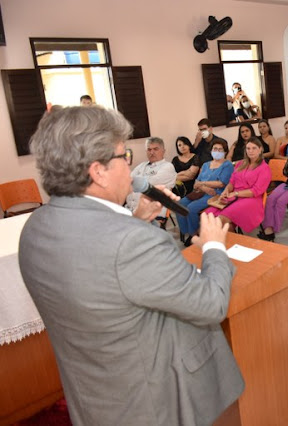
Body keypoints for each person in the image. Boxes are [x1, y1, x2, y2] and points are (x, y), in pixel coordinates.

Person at [19, 106, 244, 425]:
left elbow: (98, 270)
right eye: (123, 157)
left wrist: (134, 218)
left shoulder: (35, 227)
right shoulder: (134, 242)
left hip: (95, 394)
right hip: (154, 400)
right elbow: (210, 304)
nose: (131, 168)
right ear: (98, 172)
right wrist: (213, 247)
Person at [204, 137, 271, 233]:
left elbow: (255, 191)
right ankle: (231, 241)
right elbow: (232, 182)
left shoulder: (264, 168)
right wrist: (226, 191)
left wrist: (235, 193)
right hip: (233, 197)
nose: (251, 151)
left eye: (254, 148)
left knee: (221, 220)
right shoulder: (240, 164)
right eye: (248, 148)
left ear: (260, 149)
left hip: (251, 200)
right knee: (208, 217)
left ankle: (229, 241)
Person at [177, 140, 234, 246]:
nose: (217, 151)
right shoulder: (206, 165)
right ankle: (187, 232)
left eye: (220, 149)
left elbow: (221, 183)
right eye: (215, 149)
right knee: (180, 205)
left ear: (225, 151)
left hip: (215, 194)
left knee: (191, 208)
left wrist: (202, 184)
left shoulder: (227, 165)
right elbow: (196, 183)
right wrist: (203, 187)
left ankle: (195, 235)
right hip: (200, 192)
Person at [126, 136, 177, 212]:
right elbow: (128, 179)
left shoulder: (168, 166)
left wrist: (136, 180)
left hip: (151, 211)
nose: (152, 152)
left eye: (155, 149)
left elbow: (148, 183)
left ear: (163, 151)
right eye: (149, 149)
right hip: (129, 209)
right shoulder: (141, 165)